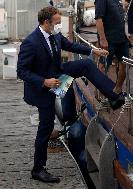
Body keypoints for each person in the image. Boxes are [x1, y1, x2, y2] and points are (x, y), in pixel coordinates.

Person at [17, 6, 125, 183]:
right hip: (42, 87)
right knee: (45, 127)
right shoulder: (31, 42)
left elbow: (71, 45)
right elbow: (21, 71)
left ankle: (114, 97)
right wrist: (44, 82)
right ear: (46, 23)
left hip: (57, 73)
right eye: (57, 23)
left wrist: (93, 50)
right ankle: (38, 169)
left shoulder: (55, 34)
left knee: (86, 65)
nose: (59, 27)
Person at [95, 0, 130, 94]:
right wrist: (102, 39)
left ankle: (117, 89)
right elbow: (98, 19)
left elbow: (118, 18)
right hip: (108, 40)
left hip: (121, 39)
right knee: (103, 65)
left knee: (125, 63)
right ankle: (99, 91)